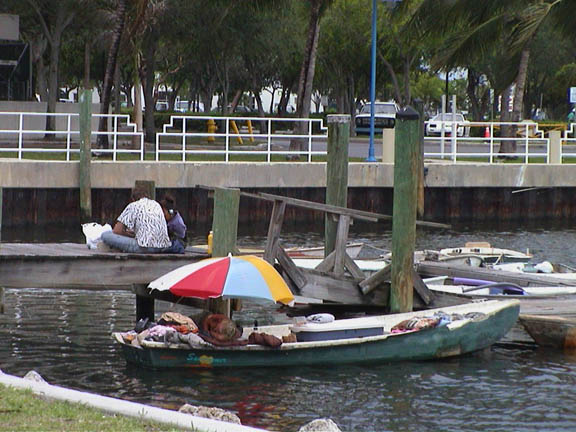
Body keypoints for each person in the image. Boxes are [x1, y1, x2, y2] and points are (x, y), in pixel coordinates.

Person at [101, 185, 171, 253]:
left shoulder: (133, 205)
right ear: (148, 196)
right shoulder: (156, 204)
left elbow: (117, 230)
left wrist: (128, 235)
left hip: (144, 247)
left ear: (133, 199)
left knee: (106, 235)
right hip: (162, 247)